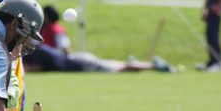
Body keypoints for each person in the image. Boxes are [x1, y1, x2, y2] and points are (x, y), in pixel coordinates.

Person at [23, 42, 175, 73]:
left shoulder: (36, 52)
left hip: (80, 63)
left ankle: (154, 66)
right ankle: (147, 64)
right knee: (115, 64)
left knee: (119, 69)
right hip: (78, 59)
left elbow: (36, 68)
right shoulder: (38, 48)